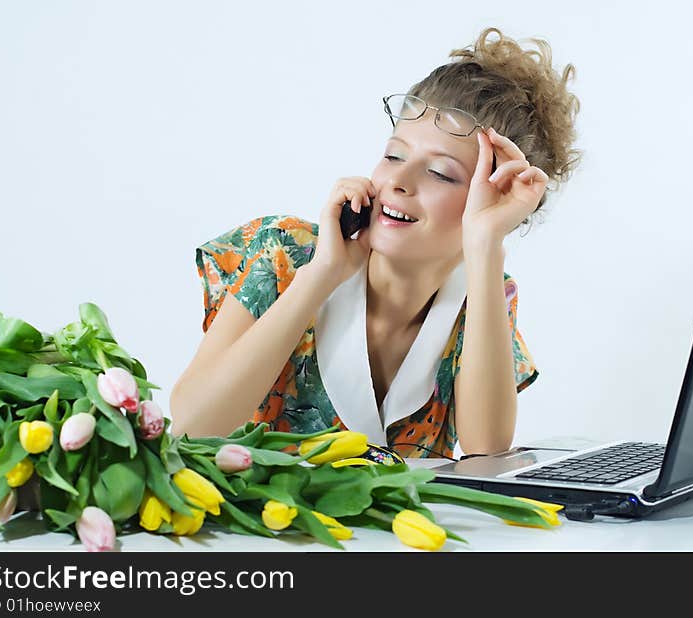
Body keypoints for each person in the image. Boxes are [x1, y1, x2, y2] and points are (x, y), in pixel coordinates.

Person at [170, 27, 581, 459]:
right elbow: (193, 429)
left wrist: (485, 243)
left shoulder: (483, 295)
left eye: (440, 173)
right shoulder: (286, 254)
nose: (398, 183)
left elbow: (487, 450)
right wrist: (322, 275)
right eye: (394, 155)